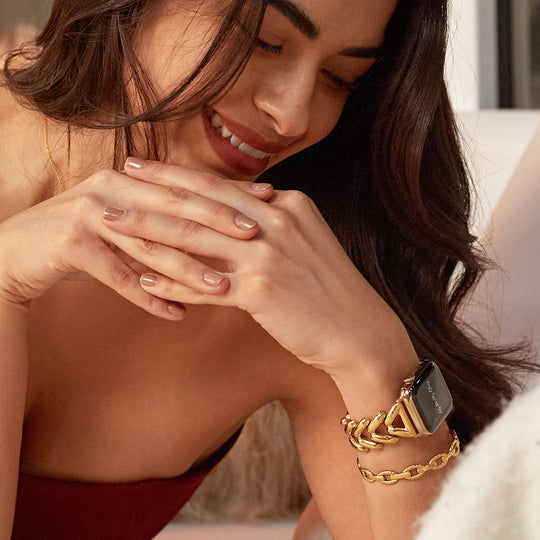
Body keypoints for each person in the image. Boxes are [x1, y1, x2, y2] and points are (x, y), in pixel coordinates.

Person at [0, 1, 535, 539]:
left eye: (340, 77)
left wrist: (376, 361)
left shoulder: (285, 279)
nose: (293, 114)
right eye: (262, 40)